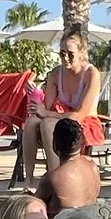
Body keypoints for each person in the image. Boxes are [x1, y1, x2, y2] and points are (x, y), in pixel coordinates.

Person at [15, 29, 101, 184]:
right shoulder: (55, 74)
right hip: (61, 119)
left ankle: (56, 179)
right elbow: (45, 107)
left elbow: (79, 115)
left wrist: (46, 113)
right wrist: (35, 92)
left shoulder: (91, 74)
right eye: (62, 53)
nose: (65, 58)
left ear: (81, 53)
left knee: (48, 124)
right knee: (31, 122)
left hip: (85, 123)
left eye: (70, 54)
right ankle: (29, 180)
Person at [38, 117, 101, 210]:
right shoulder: (93, 167)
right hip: (93, 218)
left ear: (54, 144)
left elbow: (33, 205)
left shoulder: (52, 178)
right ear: (82, 144)